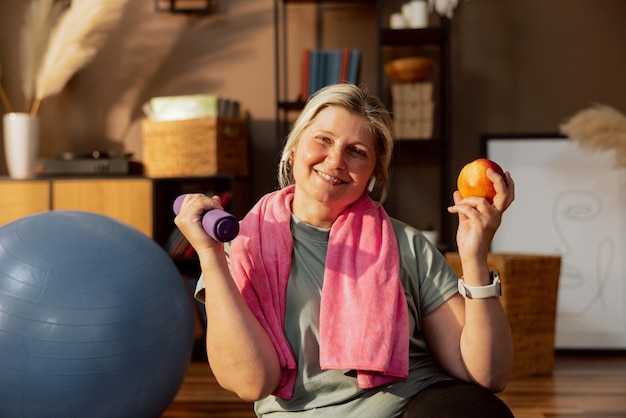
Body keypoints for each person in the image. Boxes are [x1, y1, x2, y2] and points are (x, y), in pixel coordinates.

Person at [174, 83, 515, 417]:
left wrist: (474, 257)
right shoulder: (238, 249)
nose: (336, 160)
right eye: (323, 139)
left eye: (357, 151)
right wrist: (209, 254)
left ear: (372, 174)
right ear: (294, 150)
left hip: (413, 404)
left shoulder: (406, 244)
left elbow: (487, 374)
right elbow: (251, 383)